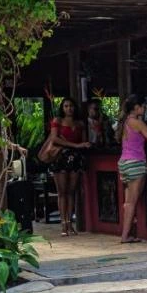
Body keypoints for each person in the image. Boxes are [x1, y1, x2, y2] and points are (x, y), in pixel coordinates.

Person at [116, 94, 147, 243]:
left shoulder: (125, 122)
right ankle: (125, 235)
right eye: (143, 105)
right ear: (136, 107)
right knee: (132, 202)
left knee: (128, 201)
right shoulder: (138, 123)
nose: (145, 107)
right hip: (136, 163)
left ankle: (128, 233)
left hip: (124, 163)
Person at [47, 97, 91, 237]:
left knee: (71, 191)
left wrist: (82, 145)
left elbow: (84, 141)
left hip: (75, 158)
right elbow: (54, 139)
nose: (69, 108)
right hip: (60, 157)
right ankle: (63, 224)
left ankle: (70, 222)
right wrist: (76, 145)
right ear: (62, 108)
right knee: (62, 191)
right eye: (66, 106)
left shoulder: (80, 123)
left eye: (71, 106)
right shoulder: (57, 121)